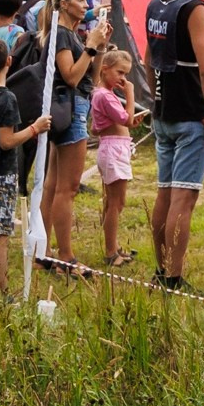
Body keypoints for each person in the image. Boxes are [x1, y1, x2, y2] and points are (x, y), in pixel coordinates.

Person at [144, 0, 204, 292]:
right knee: (183, 198)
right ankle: (174, 277)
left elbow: (148, 60)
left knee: (164, 192)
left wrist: (154, 99)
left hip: (163, 112)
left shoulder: (156, 2)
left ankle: (161, 270)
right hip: (192, 116)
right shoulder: (195, 8)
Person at [0, 37, 50, 291]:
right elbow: (6, 141)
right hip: (2, 174)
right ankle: (1, 291)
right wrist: (34, 129)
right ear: (9, 62)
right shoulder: (7, 99)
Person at [39, 0, 109, 264]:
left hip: (67, 109)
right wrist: (90, 46)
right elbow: (71, 76)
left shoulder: (67, 35)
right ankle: (65, 256)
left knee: (52, 185)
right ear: (65, 5)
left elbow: (91, 77)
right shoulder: (64, 36)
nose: (86, 5)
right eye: (81, 0)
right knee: (67, 189)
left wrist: (99, 48)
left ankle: (42, 249)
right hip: (71, 111)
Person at [92, 48, 138, 266]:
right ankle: (111, 251)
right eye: (120, 73)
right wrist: (130, 93)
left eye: (126, 74)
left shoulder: (103, 95)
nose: (123, 79)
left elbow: (97, 127)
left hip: (113, 148)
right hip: (113, 151)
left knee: (115, 202)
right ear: (104, 70)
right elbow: (126, 120)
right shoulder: (105, 96)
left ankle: (114, 246)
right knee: (115, 203)